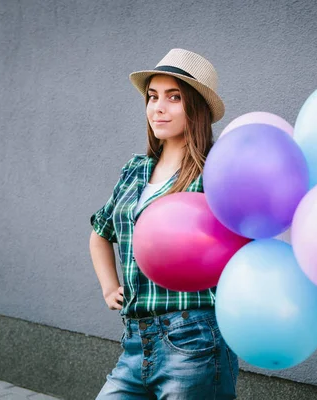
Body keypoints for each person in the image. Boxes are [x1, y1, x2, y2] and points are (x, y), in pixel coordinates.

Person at [89, 49, 238, 399]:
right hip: (135, 341)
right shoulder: (135, 170)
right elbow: (100, 233)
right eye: (153, 97)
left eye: (174, 98)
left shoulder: (216, 172)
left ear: (197, 107)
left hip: (195, 338)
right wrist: (109, 288)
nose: (158, 107)